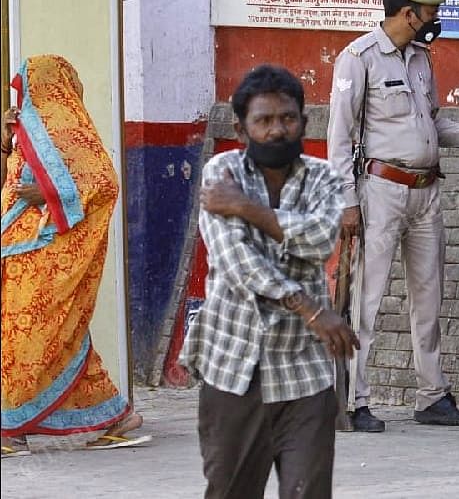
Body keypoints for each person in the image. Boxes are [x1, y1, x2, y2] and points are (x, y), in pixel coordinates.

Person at [180, 65, 358, 497]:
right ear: (241, 130)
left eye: (287, 118)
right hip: (234, 367)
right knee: (231, 491)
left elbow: (318, 241)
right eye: (264, 121)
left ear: (303, 121)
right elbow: (235, 260)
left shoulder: (324, 177)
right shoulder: (223, 172)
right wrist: (309, 308)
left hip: (305, 372)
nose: (277, 130)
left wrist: (248, 209)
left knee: (308, 491)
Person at [327, 0, 459, 432]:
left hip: (426, 190)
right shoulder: (358, 58)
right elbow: (339, 138)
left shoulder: (421, 60)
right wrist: (347, 203)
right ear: (408, 13)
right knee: (367, 299)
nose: (435, 20)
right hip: (381, 191)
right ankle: (355, 401)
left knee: (429, 297)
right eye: (430, 12)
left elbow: (433, 122)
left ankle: (432, 395)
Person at [1, 55, 147, 456]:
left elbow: (104, 183)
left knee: (38, 339)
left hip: (50, 253)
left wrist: (50, 194)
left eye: (27, 83)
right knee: (50, 338)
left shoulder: (69, 131)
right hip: (18, 251)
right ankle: (111, 414)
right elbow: (12, 184)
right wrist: (6, 138)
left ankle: (12, 427)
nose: (22, 93)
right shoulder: (24, 130)